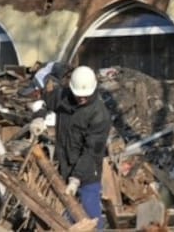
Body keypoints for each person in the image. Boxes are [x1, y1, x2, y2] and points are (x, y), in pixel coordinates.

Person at [30, 65, 111, 227]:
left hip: (88, 173)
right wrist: (39, 116)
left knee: (90, 217)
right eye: (79, 95)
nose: (82, 99)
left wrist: (76, 179)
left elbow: (91, 152)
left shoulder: (99, 115)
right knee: (66, 220)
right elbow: (42, 100)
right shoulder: (63, 96)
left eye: (85, 96)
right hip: (64, 166)